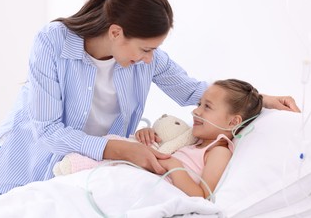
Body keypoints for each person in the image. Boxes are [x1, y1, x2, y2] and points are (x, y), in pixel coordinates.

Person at [0, 0, 300, 194]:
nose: (149, 58)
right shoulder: (53, 41)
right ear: (116, 32)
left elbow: (195, 91)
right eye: (145, 48)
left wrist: (260, 99)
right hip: (29, 159)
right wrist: (123, 149)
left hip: (81, 173)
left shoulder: (148, 61)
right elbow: (47, 131)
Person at [51, 79, 263, 198]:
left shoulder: (219, 150)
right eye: (199, 104)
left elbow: (201, 195)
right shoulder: (191, 140)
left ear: (234, 122)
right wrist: (147, 137)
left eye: (207, 107)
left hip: (153, 187)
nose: (196, 112)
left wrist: (172, 165)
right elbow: (161, 149)